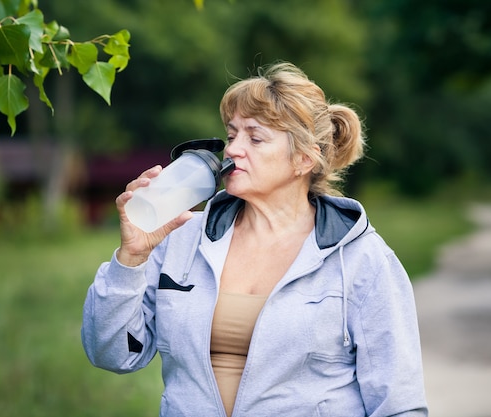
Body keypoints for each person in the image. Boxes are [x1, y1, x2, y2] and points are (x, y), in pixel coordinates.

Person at [82, 61, 428, 417]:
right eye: (232, 135)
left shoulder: (362, 259)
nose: (232, 150)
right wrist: (130, 259)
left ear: (304, 160)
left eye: (255, 137)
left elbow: (399, 404)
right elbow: (111, 354)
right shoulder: (181, 239)